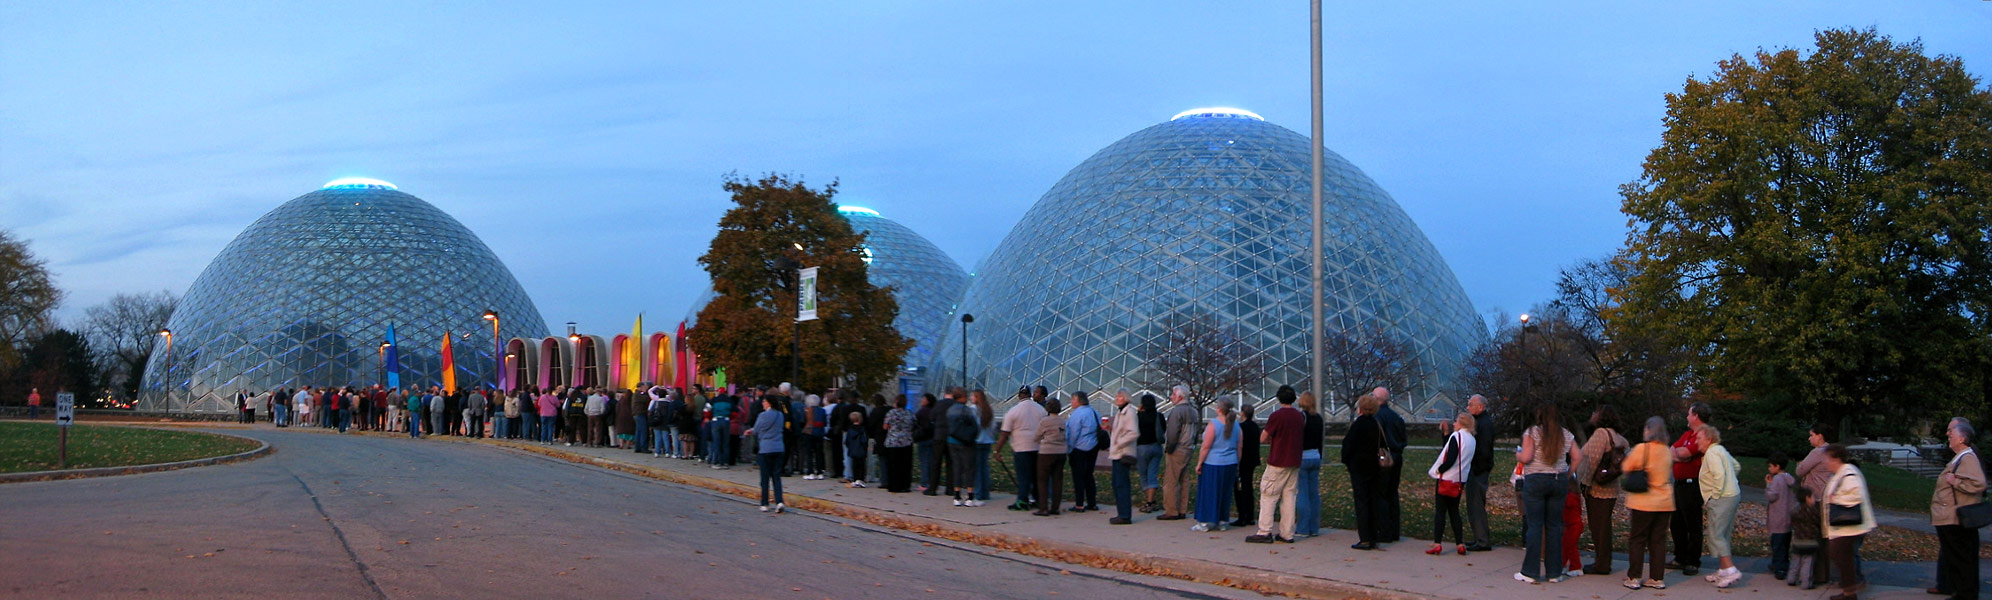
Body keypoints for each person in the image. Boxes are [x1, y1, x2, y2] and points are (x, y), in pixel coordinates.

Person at [1516, 402, 1581, 584]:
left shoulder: (1532, 432)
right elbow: (1577, 456)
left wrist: (1518, 455)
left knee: (1535, 526)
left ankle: (1530, 571)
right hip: (1558, 479)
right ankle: (1554, 572)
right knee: (1554, 526)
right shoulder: (1565, 434)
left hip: (1536, 479)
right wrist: (1567, 474)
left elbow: (1527, 457)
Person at [1930, 419, 1984, 600]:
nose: (1948, 435)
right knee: (1957, 559)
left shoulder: (1967, 458)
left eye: (1951, 432)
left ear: (1962, 438)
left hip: (1957, 519)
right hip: (1951, 518)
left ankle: (1965, 595)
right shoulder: (1961, 457)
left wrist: (1956, 482)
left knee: (1961, 560)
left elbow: (1979, 484)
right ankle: (1961, 593)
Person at [1621, 416, 1675, 590]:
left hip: (1643, 501)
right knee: (1658, 541)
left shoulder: (1641, 449)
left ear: (1649, 430)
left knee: (1638, 539)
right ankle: (1657, 578)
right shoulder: (1667, 451)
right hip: (1665, 501)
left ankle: (1634, 576)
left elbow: (1626, 467)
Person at [1573, 406, 1628, 575]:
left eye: (1595, 412)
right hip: (1612, 487)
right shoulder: (1619, 437)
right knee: (1604, 526)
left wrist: (1586, 483)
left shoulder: (1601, 434)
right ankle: (1604, 561)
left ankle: (1602, 564)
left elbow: (1593, 460)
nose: (1592, 415)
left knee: (1599, 527)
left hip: (1598, 489)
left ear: (1601, 416)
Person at [1822, 443, 1874, 600]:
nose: (1825, 462)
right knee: (1841, 556)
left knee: (1839, 554)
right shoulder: (1840, 473)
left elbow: (1856, 494)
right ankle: (1849, 591)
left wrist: (1835, 499)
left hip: (1849, 526)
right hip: (1844, 526)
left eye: (1827, 458)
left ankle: (1850, 590)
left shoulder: (1848, 473)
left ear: (1836, 459)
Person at [1697, 425, 1743, 588]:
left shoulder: (1711, 453)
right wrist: (1731, 481)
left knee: (1716, 534)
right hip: (1732, 495)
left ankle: (1731, 570)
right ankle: (1723, 570)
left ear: (1708, 439)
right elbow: (1736, 466)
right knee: (1723, 534)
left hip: (1722, 497)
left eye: (1699, 438)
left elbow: (1719, 474)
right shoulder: (1720, 450)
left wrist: (1714, 495)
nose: (1697, 441)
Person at [1669, 402, 1712, 576]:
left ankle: (1693, 561)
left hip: (1692, 484)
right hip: (1679, 483)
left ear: (1696, 416)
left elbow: (1686, 453)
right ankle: (1680, 557)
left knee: (1692, 523)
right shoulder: (1688, 434)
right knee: (1676, 522)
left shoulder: (1704, 435)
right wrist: (1681, 455)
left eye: (1689, 414)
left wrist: (1682, 454)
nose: (1687, 417)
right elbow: (1672, 450)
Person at [1427, 411, 1477, 555]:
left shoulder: (1457, 436)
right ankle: (1459, 543)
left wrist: (1439, 469)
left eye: (1456, 421)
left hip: (1447, 477)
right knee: (1454, 511)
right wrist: (1446, 433)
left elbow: (1451, 458)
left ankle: (1437, 543)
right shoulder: (1472, 439)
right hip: (1460, 479)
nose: (1454, 424)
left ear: (1461, 423)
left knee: (1440, 511)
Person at [1341, 392, 1387, 550]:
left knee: (1362, 502)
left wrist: (1347, 461)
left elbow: (1348, 445)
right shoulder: (1376, 424)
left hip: (1359, 467)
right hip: (1374, 466)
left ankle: (1365, 538)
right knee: (1373, 500)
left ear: (1361, 408)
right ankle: (1374, 535)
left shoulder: (1358, 425)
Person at [1796, 422, 1836, 586]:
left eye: (1812, 435)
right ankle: (1824, 573)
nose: (1809, 438)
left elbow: (1800, 470)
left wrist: (1800, 464)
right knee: (1824, 537)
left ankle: (1813, 573)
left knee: (1814, 536)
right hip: (1827, 498)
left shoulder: (1817, 452)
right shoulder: (1831, 451)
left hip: (1815, 498)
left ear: (1820, 436)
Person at [1191, 399, 1241, 532]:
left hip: (1213, 462)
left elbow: (1206, 446)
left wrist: (1199, 463)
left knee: (1209, 492)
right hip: (1230, 462)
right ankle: (1222, 520)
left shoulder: (1214, 424)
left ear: (1219, 409)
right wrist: (1237, 462)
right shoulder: (1236, 425)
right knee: (1225, 492)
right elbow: (1239, 446)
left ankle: (1205, 522)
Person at [995, 386, 1044, 511]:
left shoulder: (1013, 411)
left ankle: (1022, 500)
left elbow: (1004, 434)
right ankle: (1037, 499)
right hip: (1038, 447)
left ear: (1019, 395)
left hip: (1021, 447)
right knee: (1035, 475)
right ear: (1030, 394)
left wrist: (997, 450)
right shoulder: (1040, 409)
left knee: (1023, 476)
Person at [1159, 386, 1201, 521]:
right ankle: (1182, 509)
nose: (1171, 397)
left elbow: (1172, 433)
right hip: (1189, 448)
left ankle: (1171, 510)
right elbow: (1197, 432)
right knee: (1184, 480)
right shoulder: (1194, 411)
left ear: (1180, 397)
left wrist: (1169, 448)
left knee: (1171, 481)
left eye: (1173, 394)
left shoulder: (1177, 412)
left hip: (1178, 448)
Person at [1375, 388, 1408, 542]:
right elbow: (1404, 439)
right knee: (1392, 493)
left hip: (1383, 458)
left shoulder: (1377, 416)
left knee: (1381, 493)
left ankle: (1384, 531)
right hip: (1397, 455)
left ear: (1376, 399)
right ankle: (1395, 531)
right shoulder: (1396, 417)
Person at [1464, 394, 1496, 551]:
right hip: (1477, 468)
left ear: (1480, 407)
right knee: (1473, 503)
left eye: (1471, 404)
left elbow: (1484, 449)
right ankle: (1479, 537)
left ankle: (1482, 540)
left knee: (1476, 503)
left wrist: (1477, 468)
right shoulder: (1481, 422)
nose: (1468, 407)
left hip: (1478, 469)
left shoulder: (1484, 424)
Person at [1064, 390, 1102, 513]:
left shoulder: (1077, 414)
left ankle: (1079, 504)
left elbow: (1073, 434)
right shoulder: (1095, 412)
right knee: (1089, 475)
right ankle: (1092, 503)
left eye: (1073, 400)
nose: (1071, 402)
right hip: (1093, 447)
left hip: (1079, 448)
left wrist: (1069, 449)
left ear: (1078, 401)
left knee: (1078, 477)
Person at [1106, 389, 1139, 524]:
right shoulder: (1121, 412)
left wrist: (1119, 442)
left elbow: (1133, 433)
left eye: (1119, 396)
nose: (1116, 398)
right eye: (1116, 396)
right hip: (1117, 453)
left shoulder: (1129, 412)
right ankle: (1122, 513)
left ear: (1125, 398)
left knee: (1121, 484)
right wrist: (1112, 431)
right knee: (1117, 483)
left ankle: (1124, 515)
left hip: (1123, 453)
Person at [1295, 392, 1326, 538]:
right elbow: (1320, 440)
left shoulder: (1302, 417)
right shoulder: (1318, 418)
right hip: (1315, 456)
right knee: (1314, 494)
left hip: (1303, 456)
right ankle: (1314, 527)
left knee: (1302, 493)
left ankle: (1303, 528)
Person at [1032, 397, 1069, 517]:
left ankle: (1043, 508)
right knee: (1057, 480)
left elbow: (1036, 436)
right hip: (1061, 452)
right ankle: (1055, 507)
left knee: (1042, 480)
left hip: (1046, 452)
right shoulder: (1063, 421)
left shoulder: (1045, 421)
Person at [750, 394, 787, 513]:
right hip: (779, 448)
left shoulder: (763, 415)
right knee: (776, 476)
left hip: (765, 448)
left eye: (764, 401)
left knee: (765, 478)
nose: (763, 403)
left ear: (769, 403)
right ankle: (779, 501)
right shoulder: (780, 415)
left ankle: (764, 503)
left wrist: (749, 431)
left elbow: (756, 430)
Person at [1765, 451, 1797, 582]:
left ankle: (1779, 568)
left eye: (1770, 466)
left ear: (1777, 466)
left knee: (1777, 545)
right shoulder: (1789, 479)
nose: (1769, 468)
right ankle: (1783, 564)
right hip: (1788, 517)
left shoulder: (1777, 480)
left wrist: (1768, 484)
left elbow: (1771, 496)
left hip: (1778, 517)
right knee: (1785, 544)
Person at [946, 387, 981, 506]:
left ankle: (957, 496)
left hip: (952, 441)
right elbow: (974, 426)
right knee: (969, 468)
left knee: (957, 467)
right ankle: (970, 496)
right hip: (966, 442)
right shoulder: (967, 410)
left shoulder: (950, 410)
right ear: (962, 397)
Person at [1231, 402, 1261, 528]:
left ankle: (1242, 515)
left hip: (1243, 460)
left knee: (1240, 488)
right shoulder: (1255, 427)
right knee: (1248, 487)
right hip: (1252, 460)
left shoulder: (1240, 427)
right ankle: (1250, 516)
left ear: (1243, 413)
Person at [1134, 393, 1164, 513]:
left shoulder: (1138, 417)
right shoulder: (1159, 416)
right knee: (1152, 474)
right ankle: (1152, 501)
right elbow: (1163, 429)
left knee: (1143, 474)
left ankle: (1149, 502)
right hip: (1156, 447)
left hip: (1142, 448)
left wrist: (1138, 411)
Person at [1788, 485, 1822, 589]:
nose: (1814, 499)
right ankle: (1806, 582)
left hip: (1797, 539)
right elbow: (1818, 521)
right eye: (1812, 497)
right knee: (1808, 562)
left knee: (1796, 560)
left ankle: (1791, 578)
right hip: (1810, 540)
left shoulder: (1795, 510)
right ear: (1807, 498)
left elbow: (1792, 523)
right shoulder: (1813, 511)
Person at [883, 395, 916, 493]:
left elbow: (885, 426)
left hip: (893, 441)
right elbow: (914, 424)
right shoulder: (909, 413)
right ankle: (905, 486)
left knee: (893, 465)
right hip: (906, 441)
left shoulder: (891, 413)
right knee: (905, 465)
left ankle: (894, 485)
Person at [971, 391, 998, 503]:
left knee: (977, 468)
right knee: (984, 467)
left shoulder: (973, 409)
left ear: (977, 398)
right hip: (987, 441)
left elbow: (973, 425)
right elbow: (994, 426)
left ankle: (978, 492)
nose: (971, 398)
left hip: (977, 440)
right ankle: (985, 492)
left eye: (973, 396)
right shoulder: (988, 410)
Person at [800, 395, 825, 478]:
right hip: (819, 433)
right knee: (819, 453)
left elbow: (802, 421)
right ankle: (820, 472)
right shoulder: (822, 410)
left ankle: (810, 472)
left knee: (809, 453)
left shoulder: (806, 410)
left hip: (809, 433)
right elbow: (825, 422)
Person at [844, 410, 870, 488]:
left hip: (853, 449)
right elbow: (864, 440)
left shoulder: (850, 430)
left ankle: (855, 479)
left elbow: (847, 441)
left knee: (854, 465)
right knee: (861, 465)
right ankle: (861, 479)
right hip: (861, 449)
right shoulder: (863, 429)